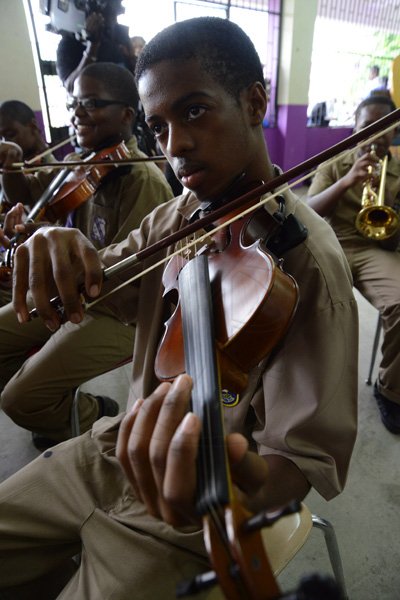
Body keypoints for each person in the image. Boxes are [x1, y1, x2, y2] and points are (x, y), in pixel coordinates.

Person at [0, 17, 357, 598]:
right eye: (157, 125)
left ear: (254, 101)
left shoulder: (308, 264)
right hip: (112, 449)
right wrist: (55, 244)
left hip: (189, 512)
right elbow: (103, 274)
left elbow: (301, 463)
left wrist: (220, 487)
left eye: (193, 111)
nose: (174, 146)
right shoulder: (181, 213)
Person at [0, 62, 173, 449]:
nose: (77, 112)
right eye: (74, 102)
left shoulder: (140, 178)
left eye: (92, 103)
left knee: (18, 401)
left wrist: (53, 249)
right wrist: (10, 168)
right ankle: (51, 406)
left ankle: (94, 416)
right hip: (77, 291)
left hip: (120, 310)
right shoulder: (81, 160)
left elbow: (134, 274)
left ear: (127, 115)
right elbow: (27, 196)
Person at [307, 95, 400, 434]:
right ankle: (308, 386)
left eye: (383, 129)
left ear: (394, 131)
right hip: (332, 244)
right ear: (355, 129)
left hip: (379, 248)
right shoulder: (335, 162)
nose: (373, 137)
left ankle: (390, 390)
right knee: (304, 299)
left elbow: (394, 238)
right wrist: (348, 181)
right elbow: (309, 210)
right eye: (366, 128)